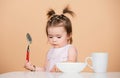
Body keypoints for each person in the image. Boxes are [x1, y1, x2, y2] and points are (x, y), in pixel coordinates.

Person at [24, 6, 78, 72]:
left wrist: (60, 66)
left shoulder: (70, 49)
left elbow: (72, 63)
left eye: (58, 37)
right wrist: (33, 68)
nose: (54, 40)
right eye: (50, 37)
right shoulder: (49, 52)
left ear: (68, 35)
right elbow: (45, 70)